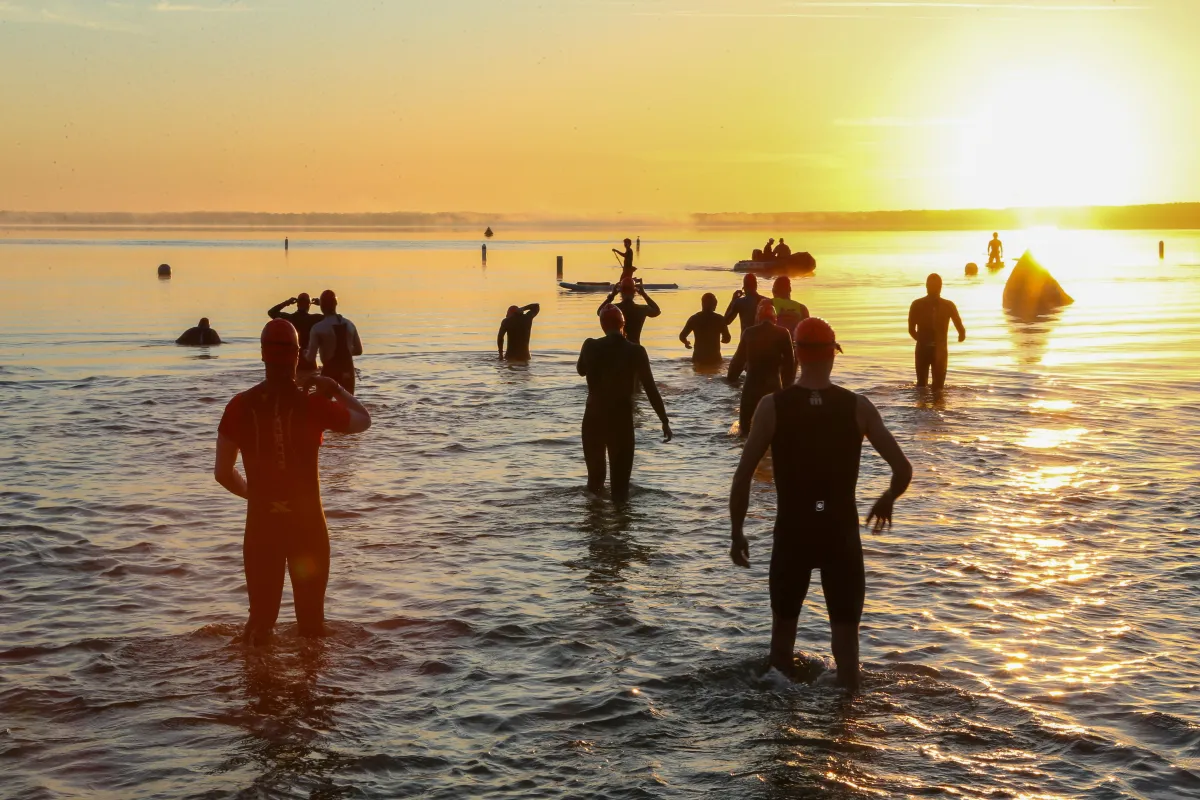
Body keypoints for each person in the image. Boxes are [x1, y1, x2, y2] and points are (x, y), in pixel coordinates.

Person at [729, 317, 912, 692]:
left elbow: (743, 475)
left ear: (796, 355)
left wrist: (737, 533)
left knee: (781, 644)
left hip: (793, 532)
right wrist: (887, 499)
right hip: (839, 534)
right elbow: (902, 469)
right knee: (847, 651)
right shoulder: (857, 407)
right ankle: (845, 729)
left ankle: (780, 734)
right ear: (833, 354)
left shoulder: (772, 406)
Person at [214, 319, 372, 645]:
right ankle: (313, 691)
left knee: (259, 625)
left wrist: (255, 496)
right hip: (307, 526)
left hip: (262, 526)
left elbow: (222, 472)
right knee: (313, 628)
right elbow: (363, 420)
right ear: (298, 355)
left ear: (262, 355)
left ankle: (255, 689)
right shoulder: (312, 404)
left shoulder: (239, 406)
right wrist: (335, 388)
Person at [576, 305, 672, 501]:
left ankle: (594, 525)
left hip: (593, 419)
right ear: (623, 324)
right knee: (620, 489)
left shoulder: (590, 345)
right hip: (620, 421)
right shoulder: (636, 351)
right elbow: (650, 388)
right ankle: (621, 527)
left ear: (602, 324)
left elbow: (581, 370)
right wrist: (664, 420)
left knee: (594, 484)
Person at [727, 300, 795, 437]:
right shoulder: (783, 333)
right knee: (778, 431)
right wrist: (787, 389)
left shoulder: (749, 333)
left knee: (744, 432)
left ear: (758, 318)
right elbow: (790, 364)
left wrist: (730, 379)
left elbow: (737, 363)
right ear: (775, 318)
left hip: (751, 388)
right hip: (773, 386)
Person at [908, 273, 966, 391]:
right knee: (938, 389)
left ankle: (921, 408)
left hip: (922, 349)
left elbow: (911, 330)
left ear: (926, 287)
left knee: (921, 387)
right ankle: (937, 407)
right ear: (941, 287)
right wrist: (960, 336)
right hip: (940, 351)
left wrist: (923, 341)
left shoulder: (916, 304)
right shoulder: (948, 305)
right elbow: (961, 331)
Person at [306, 290, 363, 394]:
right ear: (336, 304)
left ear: (321, 306)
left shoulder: (318, 328)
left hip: (329, 372)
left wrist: (304, 353)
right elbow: (359, 350)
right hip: (348, 371)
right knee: (348, 407)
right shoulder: (350, 324)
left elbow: (310, 358)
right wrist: (346, 351)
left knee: (322, 406)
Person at [268, 293, 324, 371]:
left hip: (292, 359)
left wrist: (286, 303)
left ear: (297, 304)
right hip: (308, 359)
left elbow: (271, 312)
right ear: (309, 305)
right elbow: (331, 317)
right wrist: (322, 304)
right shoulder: (313, 319)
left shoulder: (289, 318)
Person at [597, 278, 661, 345]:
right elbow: (657, 311)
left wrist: (612, 295)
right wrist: (644, 294)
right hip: (635, 349)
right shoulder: (641, 309)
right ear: (634, 292)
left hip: (617, 349)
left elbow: (599, 312)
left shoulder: (616, 309)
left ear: (620, 292)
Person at [679, 292, 732, 366]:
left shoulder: (694, 318)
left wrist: (686, 342)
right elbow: (727, 338)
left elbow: (682, 336)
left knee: (698, 374)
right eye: (714, 303)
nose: (716, 305)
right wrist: (724, 339)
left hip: (698, 357)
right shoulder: (719, 319)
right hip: (714, 357)